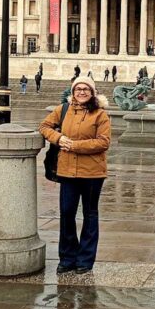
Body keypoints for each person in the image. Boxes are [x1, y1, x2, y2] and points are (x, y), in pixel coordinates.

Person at [39, 75, 111, 275]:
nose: (81, 92)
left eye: (85, 89)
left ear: (92, 93)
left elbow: (103, 142)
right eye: (78, 89)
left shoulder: (100, 114)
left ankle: (85, 260)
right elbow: (44, 127)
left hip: (92, 172)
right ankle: (67, 258)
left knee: (90, 214)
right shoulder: (62, 110)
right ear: (72, 92)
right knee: (67, 213)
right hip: (67, 171)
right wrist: (59, 138)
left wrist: (74, 145)